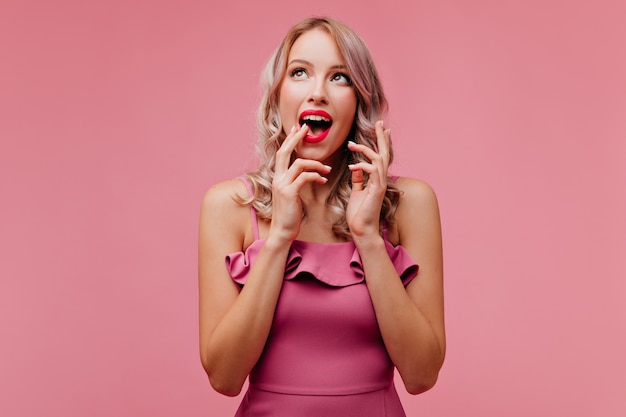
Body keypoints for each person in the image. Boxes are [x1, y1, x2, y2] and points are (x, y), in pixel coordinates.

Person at [198, 16, 445, 417]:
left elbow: (421, 375)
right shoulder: (228, 206)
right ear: (277, 96)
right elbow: (224, 378)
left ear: (361, 99)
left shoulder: (410, 204)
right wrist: (278, 238)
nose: (318, 93)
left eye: (340, 77)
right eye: (300, 73)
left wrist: (368, 237)